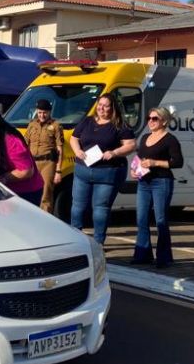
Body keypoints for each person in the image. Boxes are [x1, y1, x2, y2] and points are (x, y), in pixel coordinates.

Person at [69, 93, 135, 244]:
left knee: (100, 209)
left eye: (106, 106)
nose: (101, 108)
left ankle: (98, 242)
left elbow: (131, 145)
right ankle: (75, 241)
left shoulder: (120, 125)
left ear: (113, 108)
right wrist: (78, 151)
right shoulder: (87, 121)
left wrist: (114, 152)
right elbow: (74, 138)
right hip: (82, 171)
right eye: (100, 104)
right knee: (77, 207)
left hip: (107, 173)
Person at [132, 106, 183, 268]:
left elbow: (178, 162)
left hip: (161, 182)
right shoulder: (145, 137)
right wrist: (134, 170)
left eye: (155, 119)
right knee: (141, 218)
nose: (151, 122)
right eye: (149, 118)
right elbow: (139, 158)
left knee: (160, 219)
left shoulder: (170, 139)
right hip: (144, 182)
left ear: (164, 121)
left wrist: (155, 163)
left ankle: (164, 257)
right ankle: (143, 254)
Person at [24, 98, 64, 214]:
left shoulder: (56, 126)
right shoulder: (32, 125)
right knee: (31, 191)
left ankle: (45, 218)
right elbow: (25, 144)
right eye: (40, 112)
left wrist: (58, 170)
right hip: (32, 163)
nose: (42, 115)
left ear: (49, 112)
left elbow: (60, 149)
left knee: (46, 193)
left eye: (44, 112)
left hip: (48, 163)